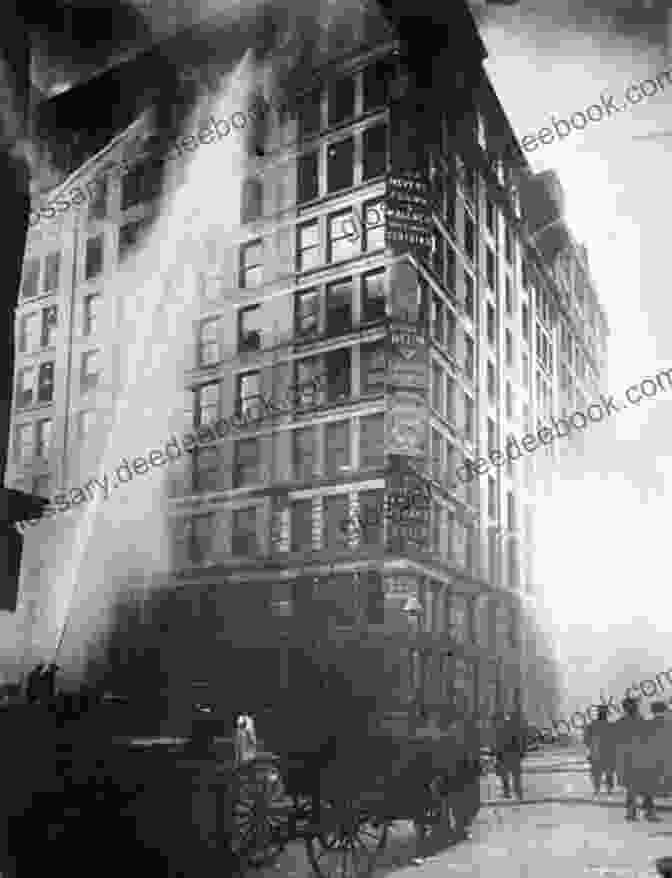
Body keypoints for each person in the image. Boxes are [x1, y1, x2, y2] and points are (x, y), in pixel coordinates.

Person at [613, 695, 659, 822]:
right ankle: (646, 813)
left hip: (631, 760)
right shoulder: (640, 721)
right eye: (634, 706)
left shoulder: (621, 723)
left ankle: (634, 813)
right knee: (644, 788)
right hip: (639, 759)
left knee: (634, 789)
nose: (636, 708)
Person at [493, 710, 525, 801]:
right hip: (511, 755)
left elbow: (500, 744)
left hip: (508, 755)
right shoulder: (509, 727)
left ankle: (512, 793)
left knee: (509, 776)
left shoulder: (503, 728)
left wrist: (497, 754)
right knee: (512, 776)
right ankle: (515, 794)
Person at [584, 705, 615, 796]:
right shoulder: (611, 726)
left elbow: (586, 740)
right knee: (609, 773)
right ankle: (609, 789)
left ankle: (597, 789)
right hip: (609, 754)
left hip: (596, 753)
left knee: (597, 773)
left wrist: (591, 748)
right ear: (606, 714)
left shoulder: (592, 725)